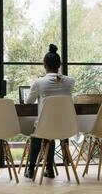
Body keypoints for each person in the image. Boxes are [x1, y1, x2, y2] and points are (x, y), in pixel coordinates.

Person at [24, 44, 74, 179]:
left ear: (44, 65)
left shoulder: (39, 82)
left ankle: (30, 170)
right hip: (65, 127)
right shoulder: (70, 82)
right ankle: (49, 169)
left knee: (38, 133)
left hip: (45, 126)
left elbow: (28, 102)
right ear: (59, 65)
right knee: (49, 134)